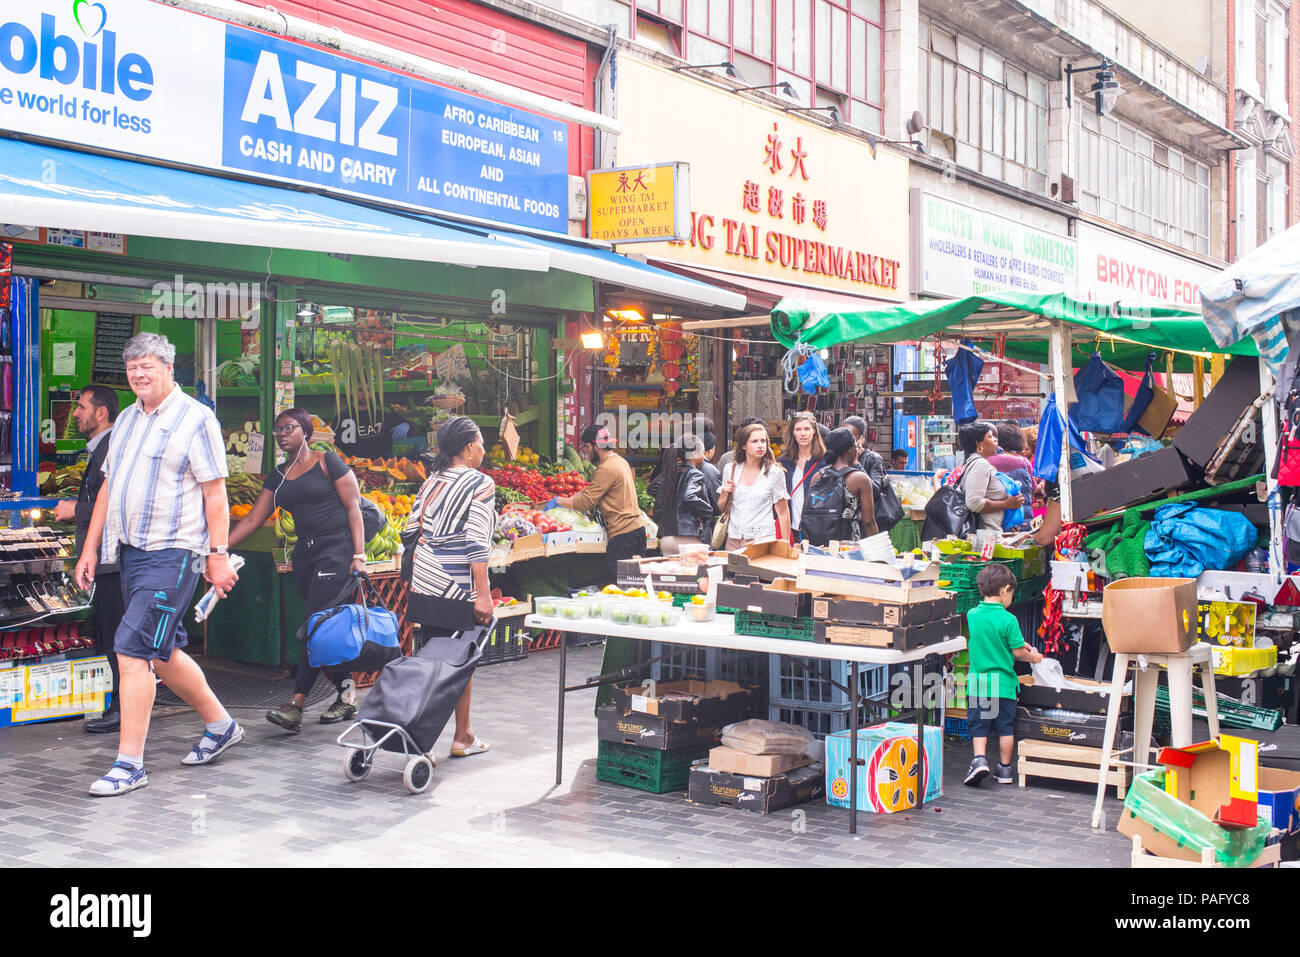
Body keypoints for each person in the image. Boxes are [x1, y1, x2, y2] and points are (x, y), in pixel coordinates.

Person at [75, 333, 243, 796]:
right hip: (130, 552)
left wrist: (218, 553)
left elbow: (215, 494)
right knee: (160, 650)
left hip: (174, 554)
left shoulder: (196, 419)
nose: (139, 374)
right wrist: (91, 549)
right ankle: (222, 726)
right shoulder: (127, 420)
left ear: (168, 368)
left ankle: (130, 764)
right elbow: (109, 488)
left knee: (130, 649)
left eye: (147, 365)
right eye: (132, 368)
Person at [228, 408, 370, 732]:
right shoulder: (277, 476)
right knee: (326, 627)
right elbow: (253, 519)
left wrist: (359, 555)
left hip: (336, 551)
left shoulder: (326, 461)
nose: (281, 434)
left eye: (288, 428)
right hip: (305, 556)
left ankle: (297, 703)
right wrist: (219, 548)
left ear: (305, 430)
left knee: (314, 624)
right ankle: (347, 696)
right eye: (278, 430)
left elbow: (354, 507)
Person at [404, 416, 496, 758]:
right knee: (459, 660)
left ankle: (453, 735)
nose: (484, 449)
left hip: (425, 583)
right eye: (482, 443)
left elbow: (410, 529)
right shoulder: (479, 483)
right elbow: (476, 543)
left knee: (432, 658)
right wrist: (483, 594)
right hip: (457, 585)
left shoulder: (431, 482)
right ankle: (453, 738)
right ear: (469, 447)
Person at [52, 386, 121, 733]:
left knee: (115, 636)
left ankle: (121, 708)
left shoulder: (110, 448)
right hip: (105, 560)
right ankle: (119, 705)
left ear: (101, 413)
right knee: (110, 634)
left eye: (81, 407)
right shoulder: (99, 449)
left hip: (113, 560)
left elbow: (116, 503)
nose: (75, 413)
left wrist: (74, 510)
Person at [963, 563, 1043, 786]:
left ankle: (979, 760)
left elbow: (988, 639)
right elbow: (1018, 652)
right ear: (1005, 589)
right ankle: (1005, 769)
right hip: (1004, 685)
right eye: (1012, 593)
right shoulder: (1009, 619)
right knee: (1005, 729)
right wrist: (1035, 658)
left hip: (979, 683)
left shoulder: (972, 615)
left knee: (980, 725)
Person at [549, 424, 646, 581]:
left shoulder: (607, 468)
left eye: (587, 447)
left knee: (624, 585)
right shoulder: (621, 461)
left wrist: (559, 501)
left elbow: (586, 502)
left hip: (623, 535)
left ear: (596, 445)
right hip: (637, 531)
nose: (586, 452)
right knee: (634, 584)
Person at [800, 427, 878, 546]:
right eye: (856, 447)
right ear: (851, 450)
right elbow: (869, 522)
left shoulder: (817, 476)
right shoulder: (860, 479)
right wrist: (878, 550)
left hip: (818, 547)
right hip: (847, 548)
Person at [717, 423, 790, 549]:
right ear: (744, 445)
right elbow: (721, 507)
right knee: (732, 569)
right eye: (755, 441)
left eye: (763, 441)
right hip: (733, 539)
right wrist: (725, 493)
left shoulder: (775, 473)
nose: (760, 445)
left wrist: (785, 545)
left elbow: (783, 513)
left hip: (761, 540)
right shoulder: (731, 469)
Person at [648, 437, 714, 556]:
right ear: (694, 453)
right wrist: (708, 511)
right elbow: (689, 496)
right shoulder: (694, 474)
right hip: (688, 537)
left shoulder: (672, 473)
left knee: (669, 574)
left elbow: (652, 488)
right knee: (693, 574)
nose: (703, 457)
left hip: (667, 539)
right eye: (702, 453)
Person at [956, 421, 1024, 536]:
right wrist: (1007, 504)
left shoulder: (976, 463)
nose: (995, 440)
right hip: (985, 539)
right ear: (979, 443)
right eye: (990, 437)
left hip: (991, 535)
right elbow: (974, 503)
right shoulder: (980, 464)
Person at [778, 411, 827, 542]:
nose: (803, 433)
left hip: (818, 526)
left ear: (814, 431)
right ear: (793, 432)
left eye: (807, 429)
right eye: (798, 429)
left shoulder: (825, 460)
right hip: (791, 526)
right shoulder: (785, 460)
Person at [333, 389, 411, 460]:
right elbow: (334, 445)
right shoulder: (342, 417)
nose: (366, 394)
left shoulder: (384, 412)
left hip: (384, 464)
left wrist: (406, 425)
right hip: (354, 467)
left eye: (368, 390)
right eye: (361, 390)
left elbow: (412, 428)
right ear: (351, 391)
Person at [841, 415, 886, 495]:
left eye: (851, 437)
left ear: (861, 439)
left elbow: (875, 491)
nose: (845, 440)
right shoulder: (838, 456)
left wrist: (855, 463)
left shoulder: (873, 459)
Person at [989, 423, 1034, 500]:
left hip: (994, 508)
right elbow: (1033, 487)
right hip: (1021, 508)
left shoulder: (986, 460)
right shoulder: (1023, 461)